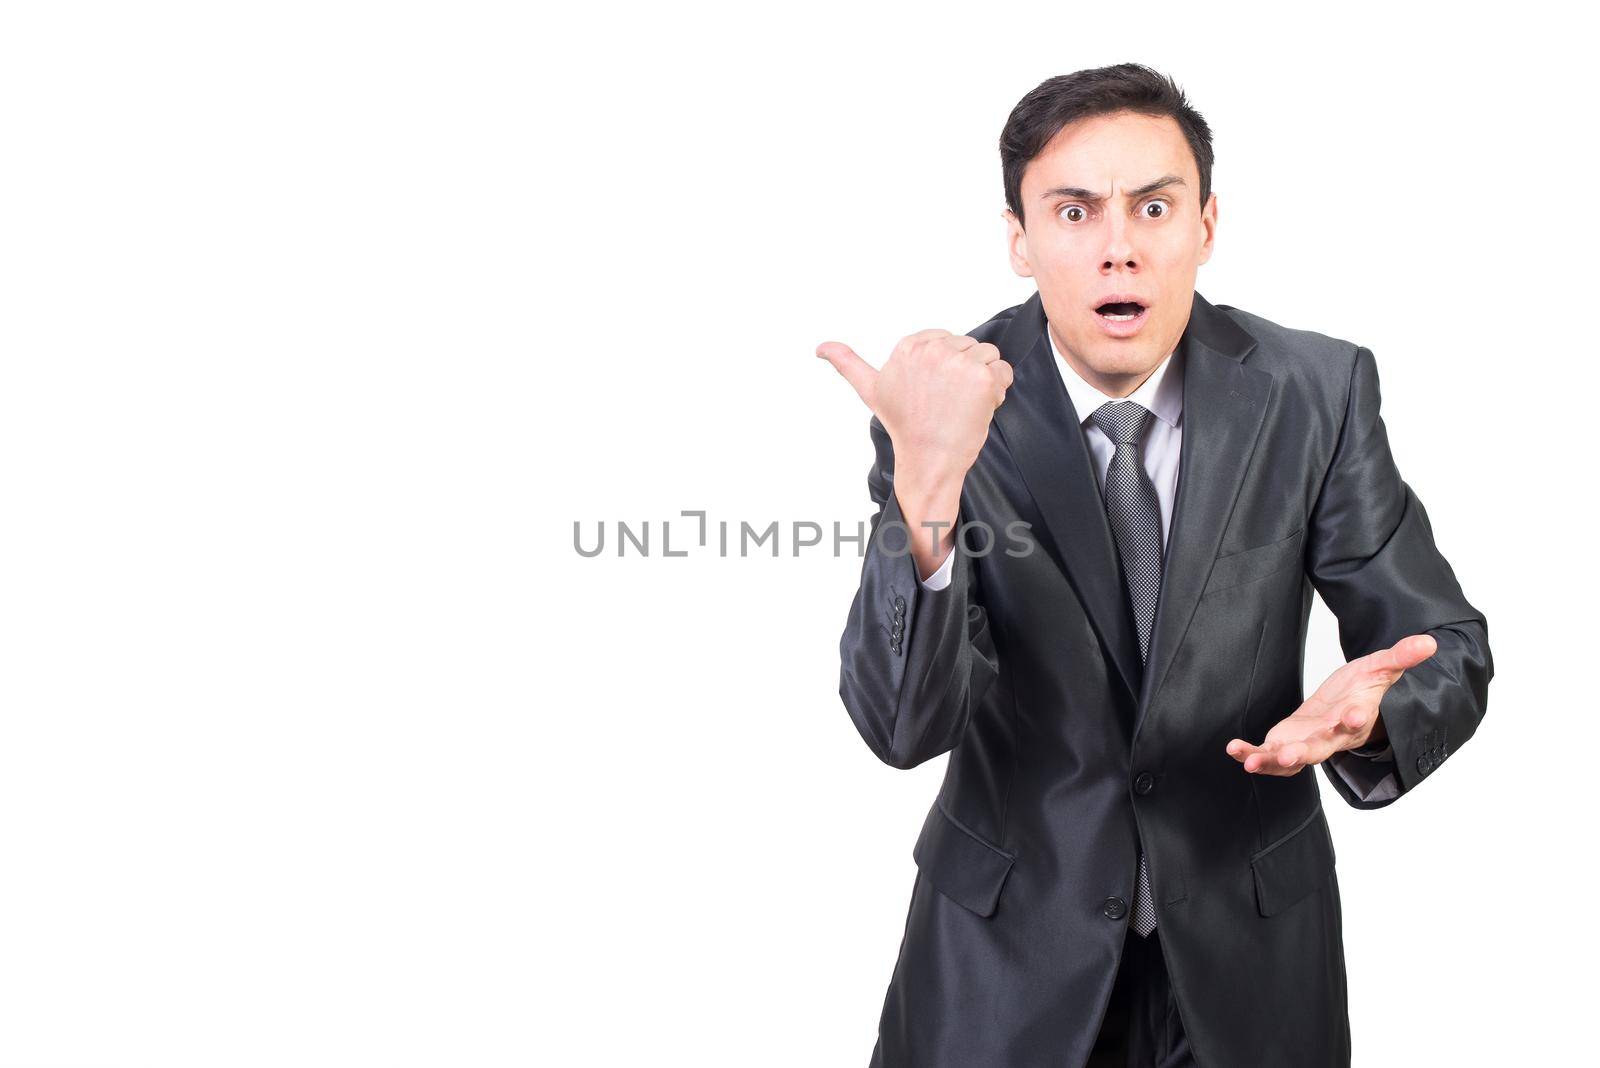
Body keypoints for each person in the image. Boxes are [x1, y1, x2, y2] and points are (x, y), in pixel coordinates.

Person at [816, 63, 1493, 1068]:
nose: (1119, 247)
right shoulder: (943, 411)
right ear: (1019, 238)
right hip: (1005, 970)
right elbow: (905, 726)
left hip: (1247, 968)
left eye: (1153, 206)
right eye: (1075, 211)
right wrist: (927, 491)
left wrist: (1374, 708)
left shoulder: (1315, 393)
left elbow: (1444, 646)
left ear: (1205, 226)